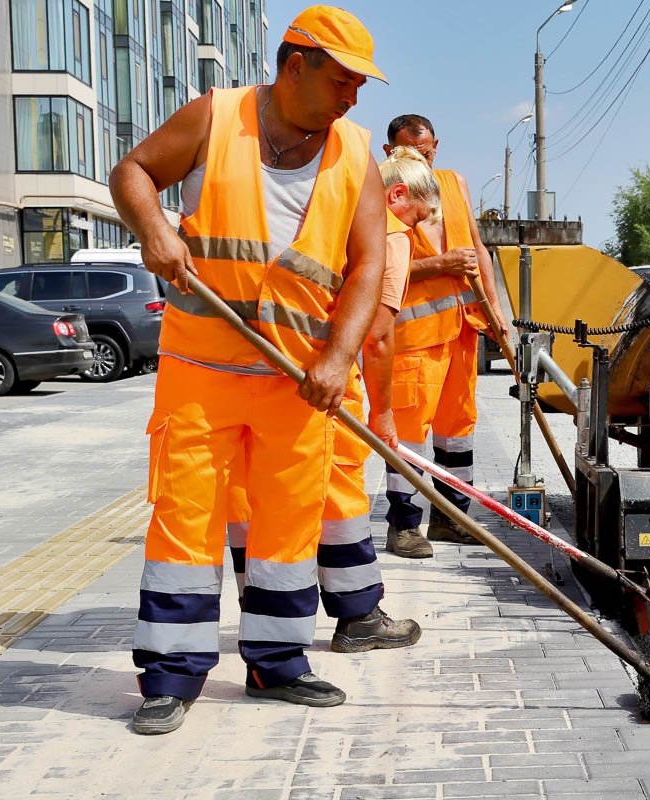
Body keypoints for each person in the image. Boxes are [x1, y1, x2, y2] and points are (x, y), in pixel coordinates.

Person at [110, 6, 387, 735]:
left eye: (360, 86)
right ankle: (170, 676)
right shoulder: (216, 116)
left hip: (297, 381)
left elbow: (367, 266)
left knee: (288, 525)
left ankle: (278, 664)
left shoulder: (357, 153)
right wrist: (155, 228)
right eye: (343, 81)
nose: (352, 97)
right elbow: (132, 171)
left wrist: (337, 358)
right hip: (201, 371)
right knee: (186, 519)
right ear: (295, 65)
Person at [222, 148, 442, 654]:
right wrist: (383, 413)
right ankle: (359, 616)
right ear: (397, 195)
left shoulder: (321, 216)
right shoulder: (387, 235)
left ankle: (261, 612)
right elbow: (379, 335)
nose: (415, 229)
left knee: (256, 498)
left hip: (267, 376)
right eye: (417, 216)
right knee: (340, 500)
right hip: (330, 383)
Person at [380, 115, 508, 558]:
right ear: (390, 153)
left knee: (458, 430)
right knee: (410, 433)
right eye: (411, 153)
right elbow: (377, 265)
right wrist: (440, 265)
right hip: (415, 337)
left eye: (427, 152)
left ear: (437, 145)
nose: (422, 160)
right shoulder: (385, 193)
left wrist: (497, 314)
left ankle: (453, 518)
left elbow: (477, 249)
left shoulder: (454, 184)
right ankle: (403, 526)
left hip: (463, 330)